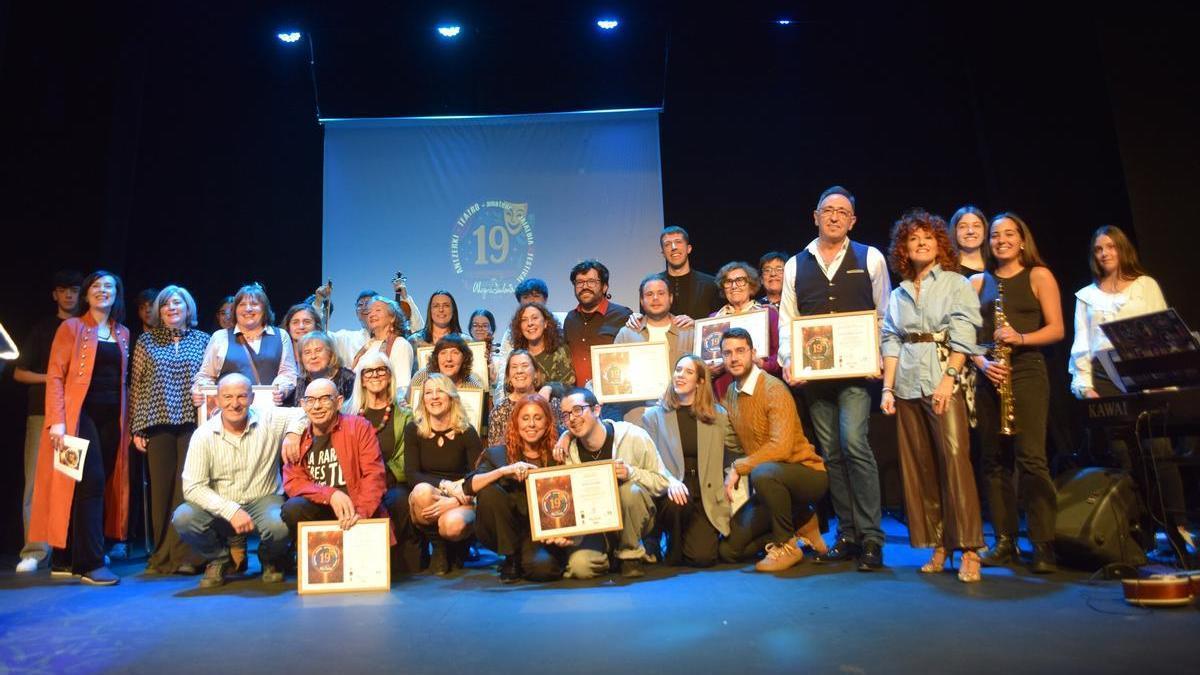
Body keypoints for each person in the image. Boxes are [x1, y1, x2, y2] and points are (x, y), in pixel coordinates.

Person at [779, 185, 890, 571]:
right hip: (816, 375)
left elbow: (883, 314)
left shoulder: (870, 257)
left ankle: (872, 537)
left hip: (857, 371)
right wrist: (790, 361)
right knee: (832, 453)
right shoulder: (796, 264)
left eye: (842, 211)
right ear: (816, 216)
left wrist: (878, 356)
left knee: (855, 443)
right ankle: (848, 534)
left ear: (852, 220)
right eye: (828, 210)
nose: (835, 216)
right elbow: (788, 319)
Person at [1068, 225, 1189, 561]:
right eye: (1098, 249)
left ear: (1122, 249)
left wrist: (1166, 378)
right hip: (1105, 375)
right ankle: (1142, 528)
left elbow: (1163, 329)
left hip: (1143, 371)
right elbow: (1083, 343)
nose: (1104, 253)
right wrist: (1085, 384)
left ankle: (1177, 526)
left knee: (1158, 449)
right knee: (1125, 454)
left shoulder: (1145, 285)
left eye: (1110, 247)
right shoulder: (1086, 295)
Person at [879, 209, 985, 583]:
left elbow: (965, 333)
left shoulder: (956, 283)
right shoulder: (899, 293)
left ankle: (969, 548)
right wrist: (888, 388)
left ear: (940, 244)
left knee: (954, 460)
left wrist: (948, 380)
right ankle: (940, 543)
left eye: (928, 237)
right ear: (904, 248)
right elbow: (890, 339)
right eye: (914, 238)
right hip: (907, 384)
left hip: (942, 378)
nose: (921, 243)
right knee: (921, 467)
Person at [970, 212, 1065, 574]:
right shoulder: (978, 282)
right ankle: (1005, 542)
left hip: (1026, 370)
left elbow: (1056, 329)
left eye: (1009, 234)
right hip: (989, 372)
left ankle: (1043, 543)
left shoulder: (1039, 275)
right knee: (993, 460)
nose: (1002, 240)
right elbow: (964, 335)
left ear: (1022, 240)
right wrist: (982, 363)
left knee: (1031, 458)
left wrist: (1020, 337)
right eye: (995, 235)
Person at [28, 270, 131, 585]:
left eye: (109, 286)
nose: (102, 290)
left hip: (112, 417)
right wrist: (57, 421)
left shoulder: (122, 332)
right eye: (96, 286)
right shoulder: (72, 327)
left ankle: (66, 557)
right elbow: (56, 376)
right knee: (91, 482)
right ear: (86, 294)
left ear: (116, 294)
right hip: (79, 416)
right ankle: (90, 562)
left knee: (97, 482)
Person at [173, 374, 307, 587]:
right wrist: (230, 510)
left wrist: (292, 434)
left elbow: (304, 412)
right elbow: (192, 487)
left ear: (252, 398)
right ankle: (219, 558)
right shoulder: (203, 435)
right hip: (221, 505)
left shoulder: (268, 418)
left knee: (280, 525)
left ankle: (269, 558)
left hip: (263, 498)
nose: (235, 404)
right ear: (217, 400)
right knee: (183, 518)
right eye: (227, 397)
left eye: (242, 396)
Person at [716, 329, 828, 572]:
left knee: (763, 472)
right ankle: (801, 522)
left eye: (740, 351)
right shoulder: (731, 394)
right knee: (729, 550)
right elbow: (733, 442)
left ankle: (787, 546)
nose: (734, 358)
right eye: (727, 353)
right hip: (771, 483)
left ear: (753, 353)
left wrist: (738, 467)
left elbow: (781, 447)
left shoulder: (772, 389)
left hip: (805, 473)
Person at [129, 285, 210, 575]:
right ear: (159, 311)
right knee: (161, 491)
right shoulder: (146, 341)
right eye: (165, 305)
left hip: (192, 424)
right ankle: (162, 556)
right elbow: (136, 385)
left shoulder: (203, 340)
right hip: (157, 422)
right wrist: (136, 428)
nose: (171, 308)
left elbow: (210, 380)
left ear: (188, 309)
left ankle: (187, 556)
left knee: (187, 489)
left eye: (177, 303)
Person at [557, 388, 671, 579]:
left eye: (577, 410)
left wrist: (631, 473)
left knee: (629, 491)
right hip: (596, 528)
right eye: (566, 415)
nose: (572, 419)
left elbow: (663, 481)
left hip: (635, 522)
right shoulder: (569, 453)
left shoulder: (634, 436)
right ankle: (613, 556)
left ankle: (630, 556)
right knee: (580, 567)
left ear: (596, 410)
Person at [639, 355, 741, 567]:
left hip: (705, 493)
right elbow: (648, 461)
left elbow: (735, 451)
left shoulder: (718, 415)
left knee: (703, 558)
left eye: (688, 372)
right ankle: (670, 543)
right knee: (677, 503)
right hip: (670, 492)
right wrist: (668, 481)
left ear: (700, 381)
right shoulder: (653, 416)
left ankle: (686, 539)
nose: (680, 375)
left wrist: (733, 471)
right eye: (678, 370)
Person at [13, 269, 81, 573]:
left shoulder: (87, 327)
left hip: (76, 415)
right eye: (63, 290)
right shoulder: (43, 329)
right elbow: (19, 372)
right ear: (55, 294)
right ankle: (36, 550)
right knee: (37, 483)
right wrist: (53, 379)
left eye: (74, 290)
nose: (68, 295)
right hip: (42, 414)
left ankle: (70, 552)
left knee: (71, 481)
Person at [466, 394, 571, 582]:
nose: (531, 424)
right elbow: (469, 486)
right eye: (525, 418)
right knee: (489, 491)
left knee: (543, 570)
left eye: (538, 418)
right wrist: (504, 471)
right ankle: (511, 557)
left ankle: (525, 558)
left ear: (547, 422)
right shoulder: (498, 454)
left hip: (541, 532)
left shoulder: (558, 453)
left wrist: (567, 435)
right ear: (516, 422)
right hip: (507, 528)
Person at [281, 379, 390, 543]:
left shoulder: (359, 427)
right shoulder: (297, 439)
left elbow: (374, 474)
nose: (317, 406)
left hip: (356, 506)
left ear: (339, 402)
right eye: (310, 400)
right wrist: (330, 494)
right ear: (303, 405)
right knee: (293, 508)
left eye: (325, 399)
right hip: (319, 507)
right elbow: (293, 482)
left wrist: (361, 514)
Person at [342, 351, 422, 572]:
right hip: (355, 481)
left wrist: (384, 476)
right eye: (368, 371)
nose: (375, 375)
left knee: (397, 501)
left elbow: (407, 456)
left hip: (392, 481)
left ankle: (396, 563)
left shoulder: (405, 414)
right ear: (361, 379)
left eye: (381, 370)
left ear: (389, 375)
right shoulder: (347, 413)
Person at [405, 374, 484, 574]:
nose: (434, 397)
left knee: (452, 525)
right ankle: (439, 548)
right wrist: (445, 485)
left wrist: (455, 500)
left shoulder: (467, 432)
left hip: (461, 496)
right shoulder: (413, 430)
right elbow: (412, 474)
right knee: (422, 491)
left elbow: (478, 475)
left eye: (440, 391)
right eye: (428, 392)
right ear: (423, 399)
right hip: (432, 494)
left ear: (451, 397)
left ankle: (459, 546)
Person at [193, 283, 297, 407]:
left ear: (264, 309)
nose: (248, 309)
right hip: (230, 410)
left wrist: (281, 390)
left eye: (254, 304)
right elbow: (206, 376)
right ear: (235, 310)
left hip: (269, 410)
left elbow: (288, 373)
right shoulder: (220, 337)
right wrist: (200, 391)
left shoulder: (281, 336)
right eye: (242, 304)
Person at [614, 274, 695, 423]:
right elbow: (614, 375)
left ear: (671, 298)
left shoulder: (689, 331)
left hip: (682, 414)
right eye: (649, 294)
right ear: (642, 301)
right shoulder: (627, 333)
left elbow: (703, 374)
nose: (655, 298)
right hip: (638, 418)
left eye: (661, 293)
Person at [708, 262, 782, 400]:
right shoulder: (713, 320)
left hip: (761, 390)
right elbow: (704, 362)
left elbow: (780, 355)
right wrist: (709, 371)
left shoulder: (768, 313)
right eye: (728, 282)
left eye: (740, 280)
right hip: (723, 394)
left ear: (751, 285)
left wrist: (763, 364)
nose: (734, 286)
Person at [312, 283, 423, 370]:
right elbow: (318, 337)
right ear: (356, 312)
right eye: (360, 305)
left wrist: (405, 298)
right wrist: (318, 303)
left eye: (374, 307)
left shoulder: (398, 342)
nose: (365, 308)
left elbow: (419, 333)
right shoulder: (347, 338)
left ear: (390, 315)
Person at [562, 260, 633, 395]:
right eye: (579, 282)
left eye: (591, 281)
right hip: (578, 399)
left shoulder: (623, 316)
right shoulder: (570, 319)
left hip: (612, 397)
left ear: (604, 287)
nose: (585, 287)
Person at [487, 349, 565, 447]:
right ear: (508, 376)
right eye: (514, 367)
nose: (519, 371)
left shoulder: (552, 404)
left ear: (536, 373)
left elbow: (565, 438)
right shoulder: (498, 411)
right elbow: (494, 451)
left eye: (524, 366)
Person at [350, 295, 415, 401]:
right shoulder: (367, 347)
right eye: (369, 312)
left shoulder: (400, 344)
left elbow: (402, 388)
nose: (372, 314)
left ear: (392, 317)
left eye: (378, 310)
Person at [507, 302, 575, 399]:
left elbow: (569, 386)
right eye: (524, 320)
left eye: (535, 318)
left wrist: (549, 388)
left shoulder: (560, 351)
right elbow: (508, 387)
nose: (530, 323)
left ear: (546, 323)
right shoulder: (516, 355)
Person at [659, 226, 722, 319]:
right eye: (667, 244)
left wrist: (695, 324)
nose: (673, 247)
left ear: (689, 248)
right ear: (663, 253)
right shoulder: (653, 286)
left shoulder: (710, 284)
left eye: (678, 242)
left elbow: (719, 322)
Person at [408, 334, 486, 406]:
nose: (448, 359)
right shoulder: (421, 377)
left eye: (455, 353)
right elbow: (408, 406)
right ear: (436, 358)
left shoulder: (473, 386)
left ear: (464, 358)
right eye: (443, 353)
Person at [293, 331, 356, 404]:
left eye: (318, 350)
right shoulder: (300, 381)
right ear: (301, 358)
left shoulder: (348, 378)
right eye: (307, 352)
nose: (313, 356)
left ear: (330, 353)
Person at [950, 206, 989, 276]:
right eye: (963, 226)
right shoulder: (947, 269)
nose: (970, 231)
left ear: (985, 231)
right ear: (954, 232)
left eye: (976, 226)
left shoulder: (997, 266)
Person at [468, 308, 499, 384]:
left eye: (485, 326)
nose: (480, 328)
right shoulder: (462, 353)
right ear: (470, 329)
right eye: (475, 325)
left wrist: (493, 380)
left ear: (492, 329)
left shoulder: (498, 357)